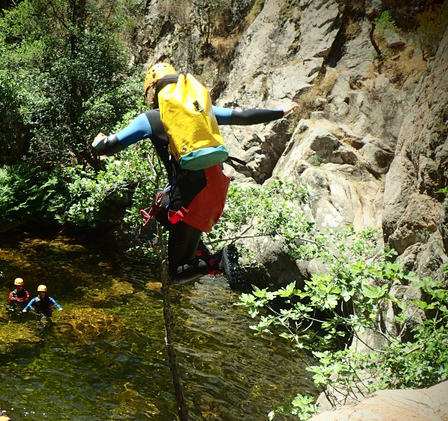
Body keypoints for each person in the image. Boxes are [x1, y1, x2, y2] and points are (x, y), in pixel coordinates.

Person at [92, 62, 299, 289]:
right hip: (216, 188)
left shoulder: (150, 118)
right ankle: (205, 253)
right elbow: (242, 116)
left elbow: (108, 147)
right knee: (163, 210)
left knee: (179, 273)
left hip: (191, 194)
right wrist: (279, 111)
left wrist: (99, 140)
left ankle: (218, 261)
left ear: (152, 90)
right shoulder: (201, 110)